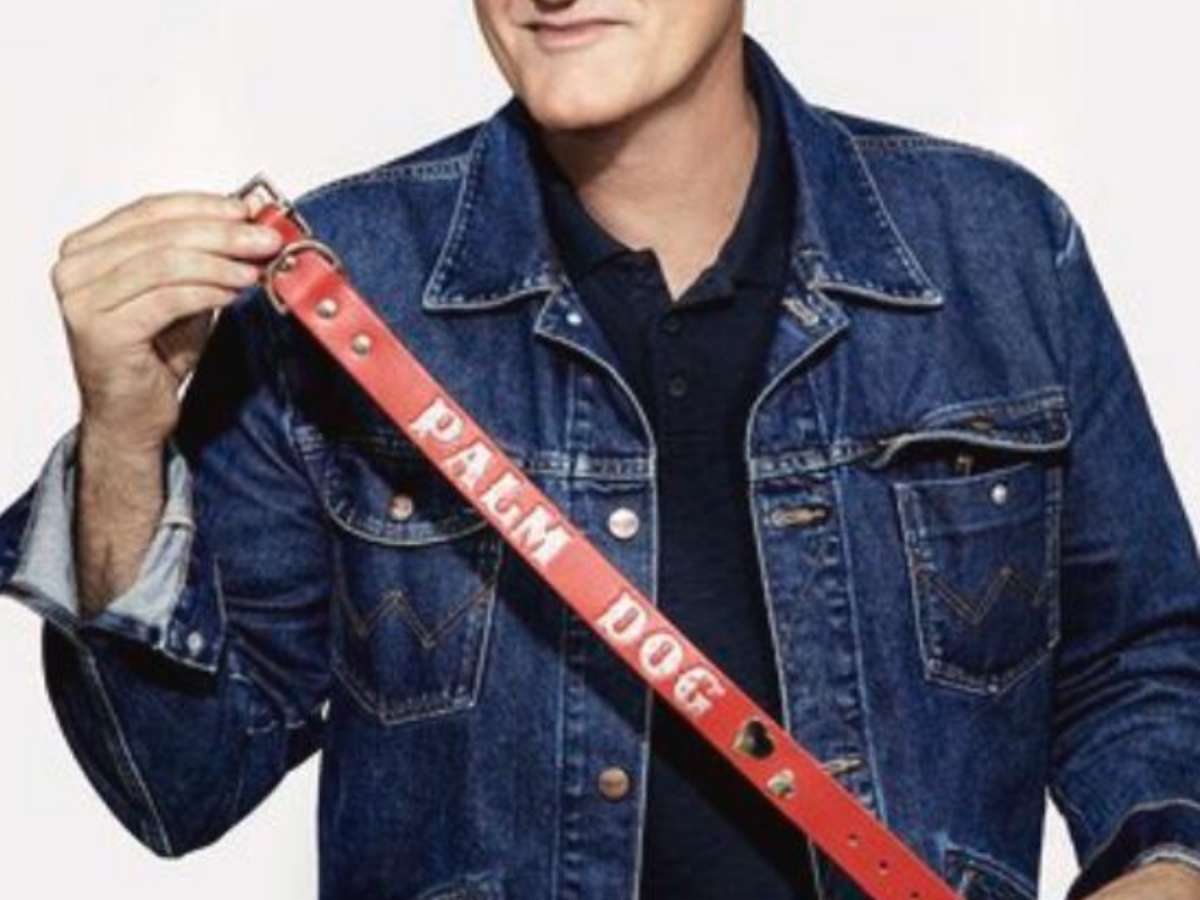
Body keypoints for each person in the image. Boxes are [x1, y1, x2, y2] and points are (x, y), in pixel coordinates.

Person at [1, 2, 1199, 898]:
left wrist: (1161, 857)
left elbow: (1141, 655)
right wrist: (124, 439)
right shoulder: (334, 291)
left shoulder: (996, 246)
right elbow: (176, 784)